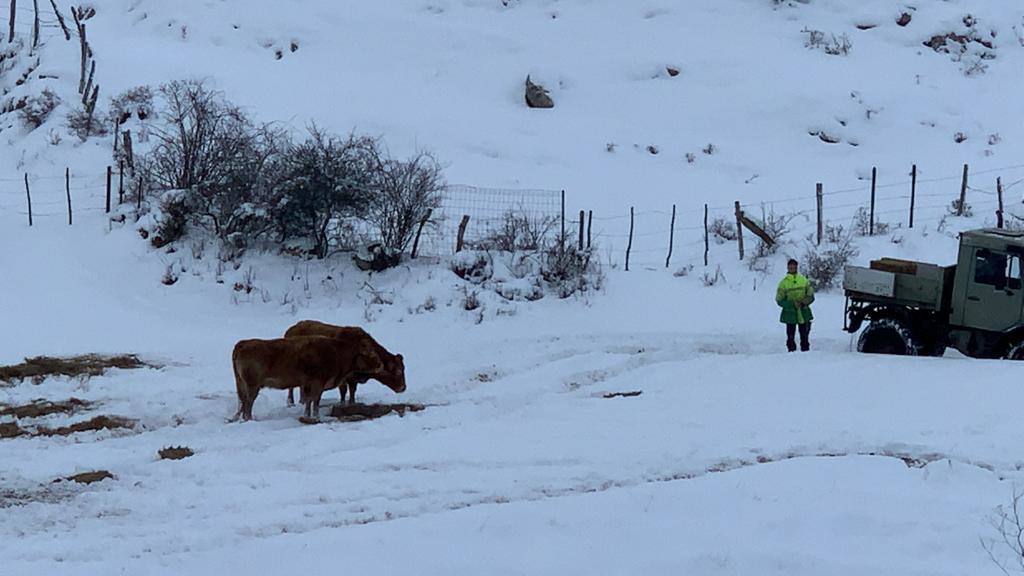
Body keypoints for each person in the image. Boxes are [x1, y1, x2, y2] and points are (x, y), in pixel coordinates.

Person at [776, 258, 814, 352]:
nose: (792, 268)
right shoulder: (783, 283)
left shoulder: (803, 280)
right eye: (790, 267)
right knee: (790, 335)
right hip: (790, 314)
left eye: (794, 267)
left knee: (804, 334)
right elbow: (779, 300)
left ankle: (806, 351)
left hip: (804, 311)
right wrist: (792, 304)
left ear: (797, 267)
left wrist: (804, 302)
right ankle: (791, 352)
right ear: (787, 268)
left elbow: (811, 295)